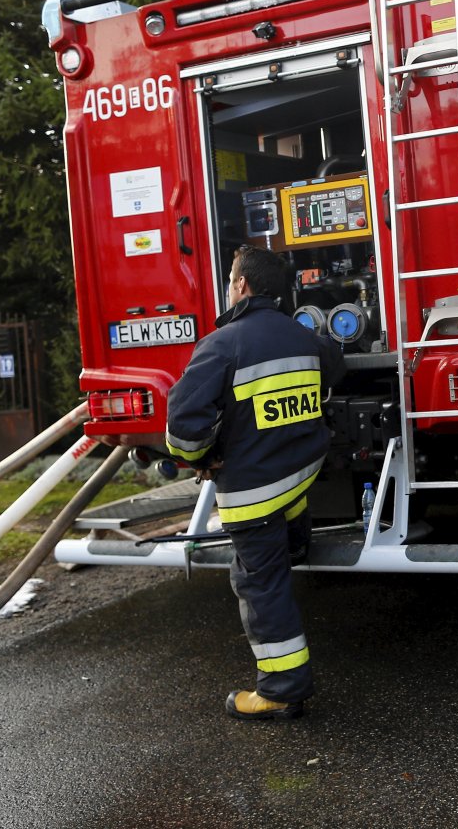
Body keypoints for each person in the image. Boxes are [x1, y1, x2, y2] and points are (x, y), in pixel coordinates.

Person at [166, 244, 345, 720]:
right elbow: (337, 366)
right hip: (297, 475)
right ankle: (295, 541)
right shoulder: (305, 338)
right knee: (286, 524)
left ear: (242, 286)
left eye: (230, 277)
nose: (228, 285)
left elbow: (184, 427)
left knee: (259, 584)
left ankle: (282, 690)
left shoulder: (222, 344)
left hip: (255, 491)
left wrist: (203, 457)